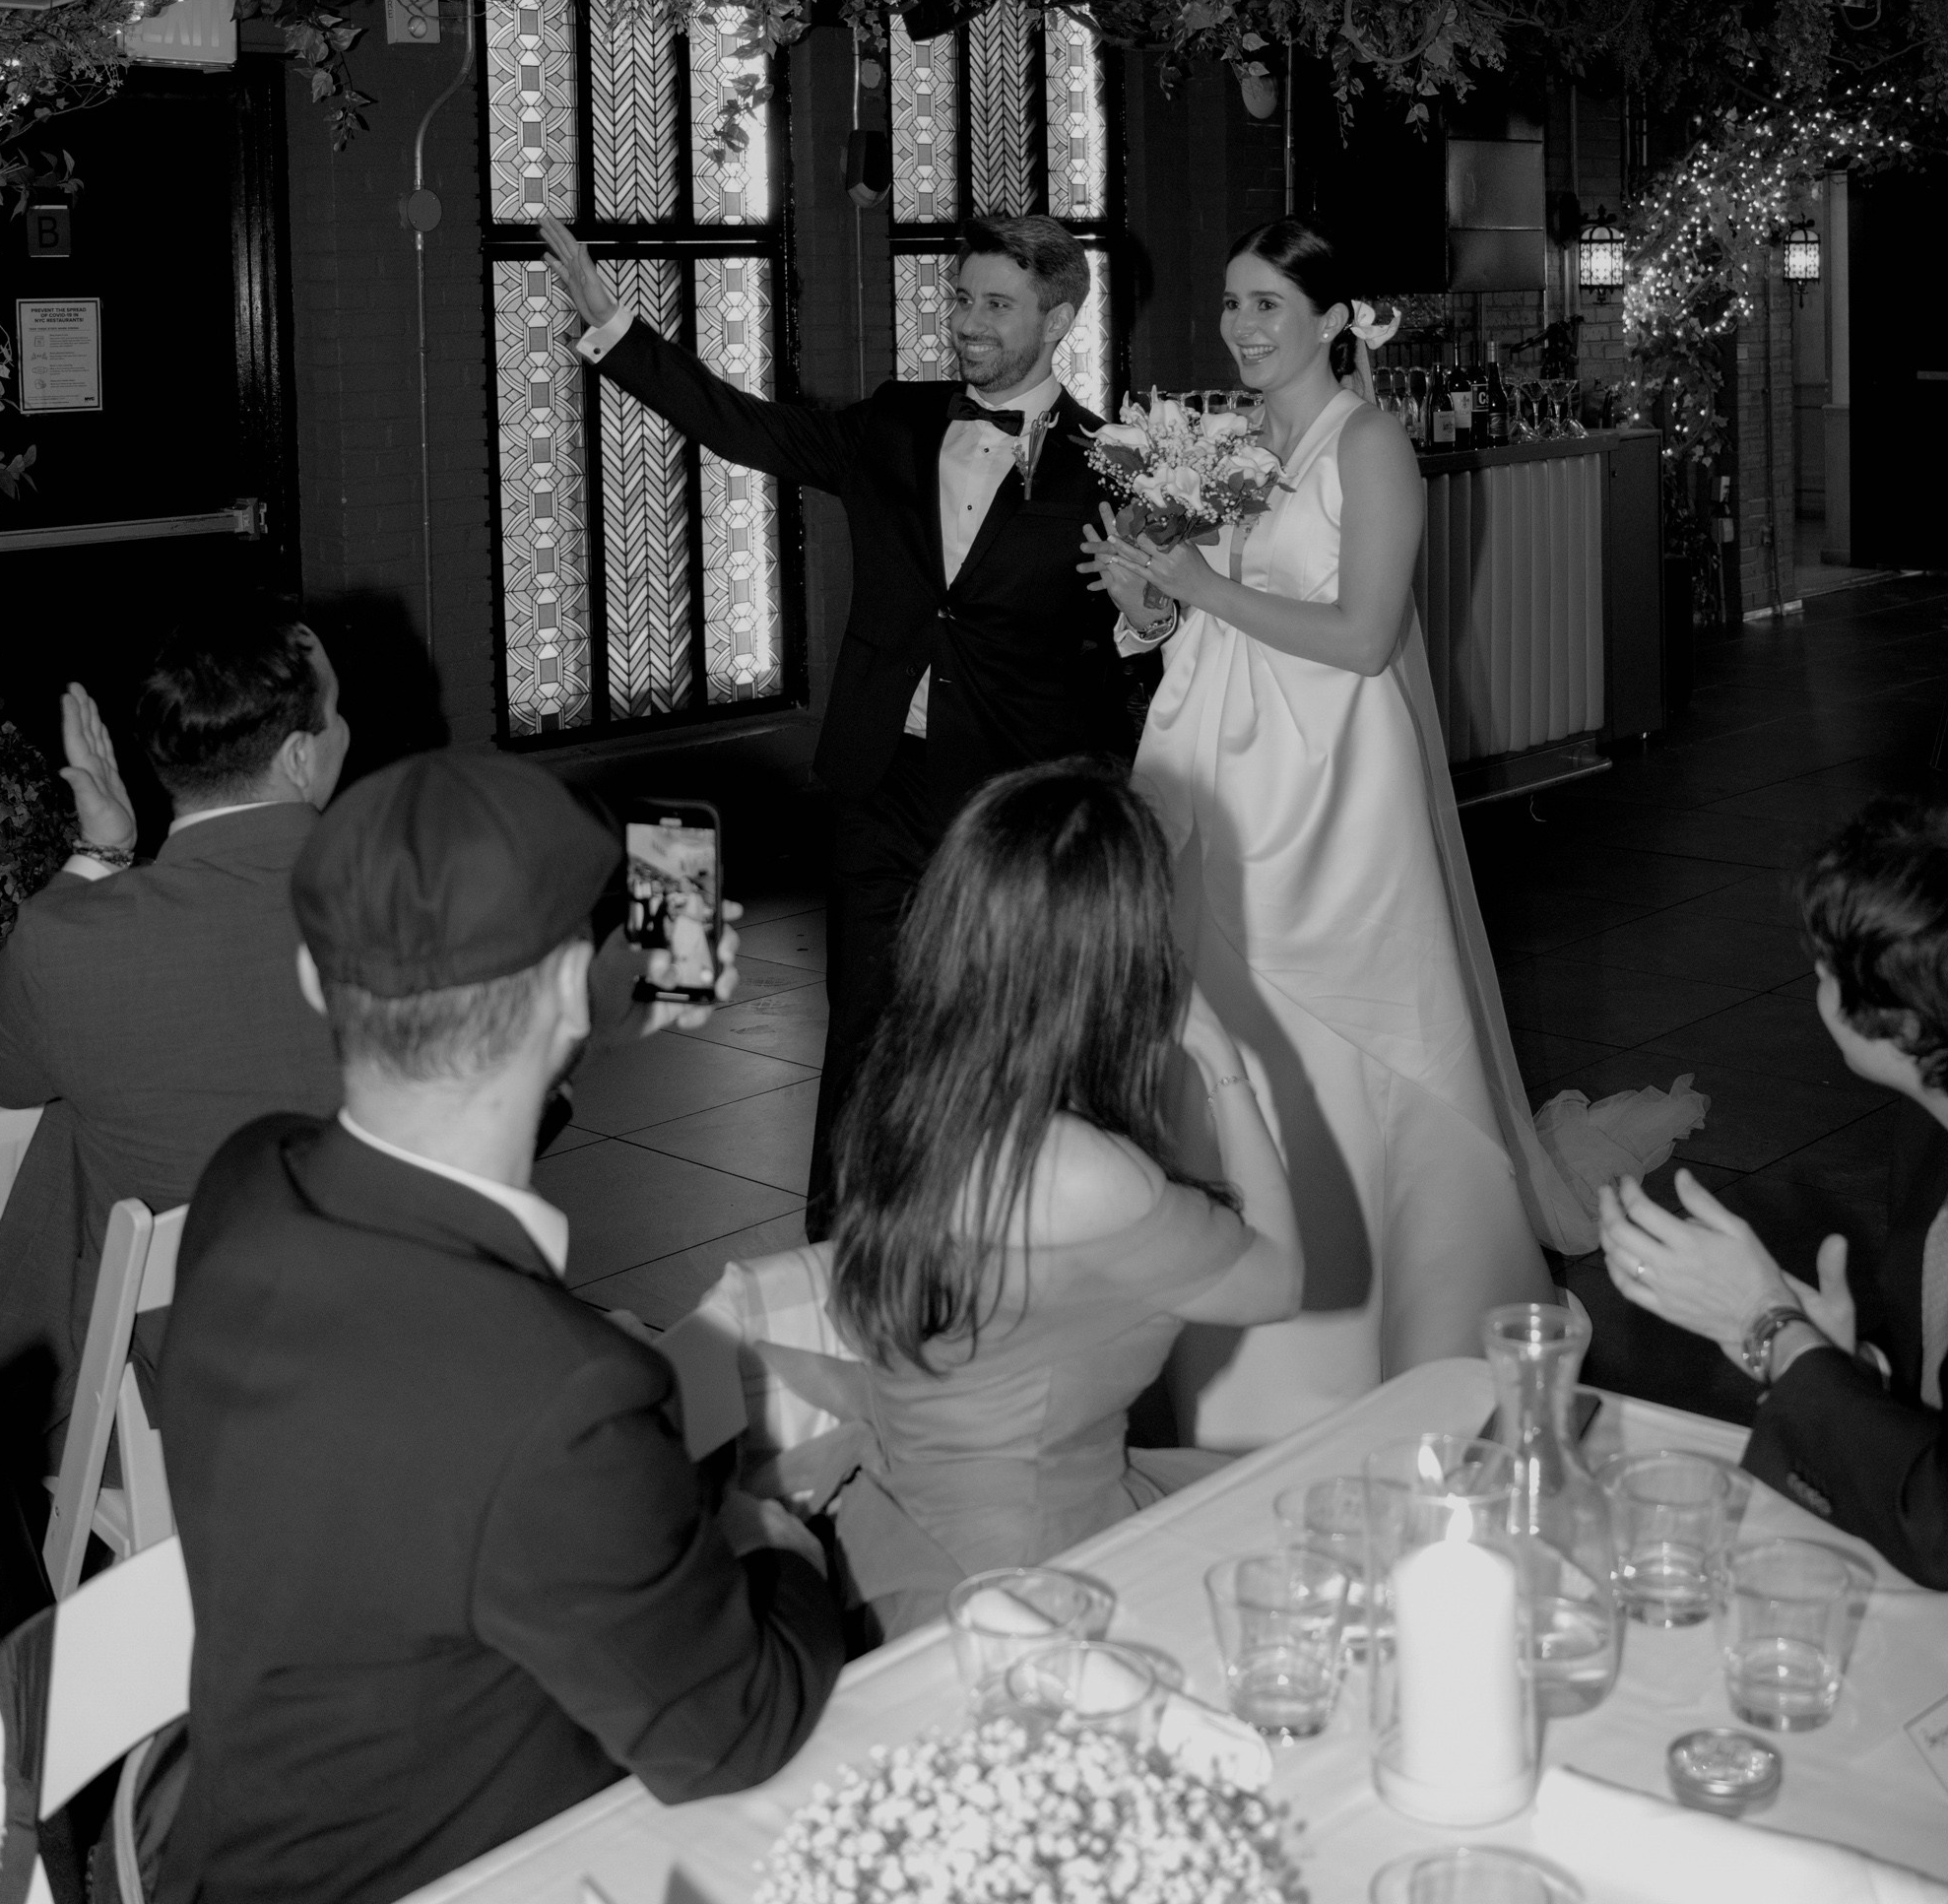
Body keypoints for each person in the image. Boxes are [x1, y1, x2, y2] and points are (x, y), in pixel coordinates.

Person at [157, 748, 843, 1904]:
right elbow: (735, 1731)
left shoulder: (248, 1186)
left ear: (319, 984)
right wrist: (775, 1536)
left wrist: (578, 1036)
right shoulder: (563, 1399)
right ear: (571, 989)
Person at [1084, 221, 1589, 1446]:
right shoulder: (1229, 444)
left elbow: (1364, 639)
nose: (1241, 328)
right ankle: (1248, 1341)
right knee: (1230, 1034)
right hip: (1232, 778)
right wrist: (1153, 604)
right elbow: (1216, 616)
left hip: (1338, 792)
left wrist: (1200, 588)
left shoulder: (1369, 447)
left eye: (1265, 304)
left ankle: (1411, 1317)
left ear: (1330, 317)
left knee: (1359, 1037)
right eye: (1229, 304)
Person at [540, 207, 1131, 1230]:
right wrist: (616, 332)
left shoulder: (1113, 463)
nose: (967, 322)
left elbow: (1125, 644)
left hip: (1009, 794)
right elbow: (748, 427)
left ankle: (996, 1235)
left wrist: (1149, 616)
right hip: (879, 779)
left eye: (996, 304)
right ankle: (838, 1244)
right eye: (958, 298)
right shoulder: (896, 421)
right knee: (859, 1026)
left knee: (1002, 1030)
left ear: (1060, 315)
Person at [761, 759, 1306, 1640]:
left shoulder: (908, 1100)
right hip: (1033, 1570)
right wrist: (1224, 1062)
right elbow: (1278, 1281)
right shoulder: (1082, 1171)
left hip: (904, 1519)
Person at [0, 609, 351, 1442]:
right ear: (298, 754)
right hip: (405, 1335)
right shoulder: (417, 903)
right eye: (336, 713)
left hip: (188, 1393)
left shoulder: (71, 942)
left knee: (74, 1119)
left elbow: (3, 1080)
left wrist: (101, 852)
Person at [1601, 797, 1948, 1587]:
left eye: (1825, 967)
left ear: (1894, 1023)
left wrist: (1771, 1329)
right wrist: (1840, 1366)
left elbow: (1943, 1530)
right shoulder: (1934, 1125)